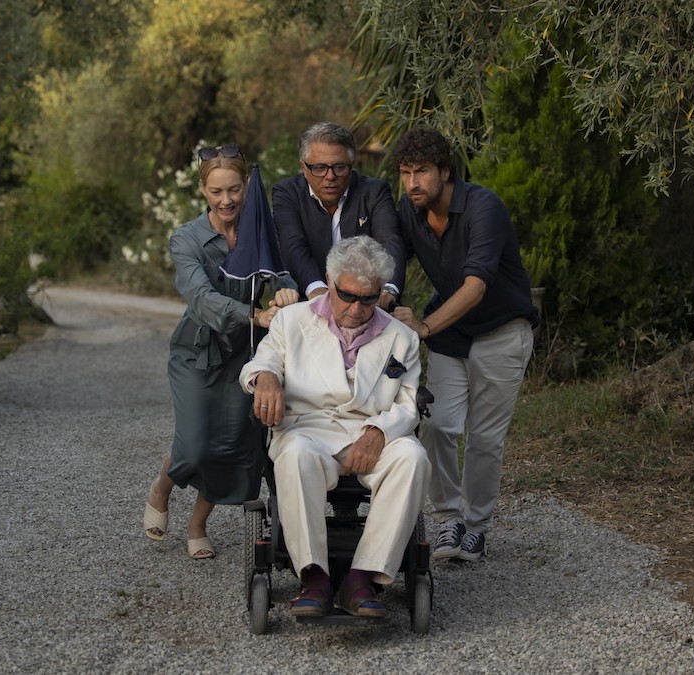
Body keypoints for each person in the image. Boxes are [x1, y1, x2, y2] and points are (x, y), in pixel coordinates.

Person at [239, 235, 429, 618]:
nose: (358, 309)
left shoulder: (402, 337)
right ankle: (314, 577)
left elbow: (408, 403)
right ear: (329, 280)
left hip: (369, 432)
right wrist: (266, 379)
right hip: (307, 430)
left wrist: (378, 432)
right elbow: (260, 364)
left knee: (413, 456)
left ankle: (362, 578)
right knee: (292, 455)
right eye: (348, 296)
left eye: (369, 299)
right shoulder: (292, 321)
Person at [387, 126, 539, 563]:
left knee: (484, 439)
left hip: (501, 331)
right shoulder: (410, 210)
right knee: (436, 424)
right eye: (405, 172)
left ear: (446, 171)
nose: (413, 182)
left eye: (422, 171)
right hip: (455, 337)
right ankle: (449, 519)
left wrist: (425, 327)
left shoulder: (482, 208)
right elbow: (390, 254)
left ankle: (476, 527)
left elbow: (475, 287)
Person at [143, 144, 299, 560]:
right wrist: (254, 315)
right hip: (198, 351)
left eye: (234, 189)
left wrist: (287, 289)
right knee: (195, 445)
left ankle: (197, 524)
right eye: (216, 192)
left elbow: (281, 271)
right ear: (202, 190)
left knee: (233, 443)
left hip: (246, 355)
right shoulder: (187, 239)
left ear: (246, 185)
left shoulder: (260, 232)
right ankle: (163, 483)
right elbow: (200, 298)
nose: (227, 200)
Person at [272, 122, 406, 308]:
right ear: (303, 167)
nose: (330, 176)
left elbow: (390, 241)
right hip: (309, 305)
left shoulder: (374, 192)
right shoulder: (287, 193)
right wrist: (316, 289)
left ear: (352, 165)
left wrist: (388, 289)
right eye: (319, 168)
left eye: (340, 167)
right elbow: (292, 244)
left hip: (368, 304)